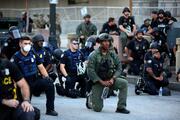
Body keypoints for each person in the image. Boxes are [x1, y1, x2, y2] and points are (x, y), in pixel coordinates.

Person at [11, 36, 58, 116]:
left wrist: (47, 77)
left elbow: (41, 67)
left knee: (49, 84)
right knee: (24, 109)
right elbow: (13, 76)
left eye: (29, 43)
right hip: (23, 85)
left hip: (35, 80)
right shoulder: (15, 57)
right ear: (20, 44)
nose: (27, 45)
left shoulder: (33, 53)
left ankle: (50, 109)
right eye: (25, 43)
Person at [86, 33, 130, 114]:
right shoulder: (94, 55)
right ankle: (91, 97)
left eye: (108, 41)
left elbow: (119, 67)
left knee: (124, 83)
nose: (107, 43)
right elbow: (90, 71)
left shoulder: (112, 54)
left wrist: (113, 79)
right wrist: (101, 82)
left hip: (110, 80)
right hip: (98, 82)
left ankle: (121, 107)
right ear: (100, 42)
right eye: (104, 41)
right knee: (97, 109)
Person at [0, 44, 35, 120]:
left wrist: (26, 101)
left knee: (29, 112)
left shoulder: (7, 64)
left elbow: (23, 85)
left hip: (13, 105)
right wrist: (4, 101)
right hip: (3, 104)